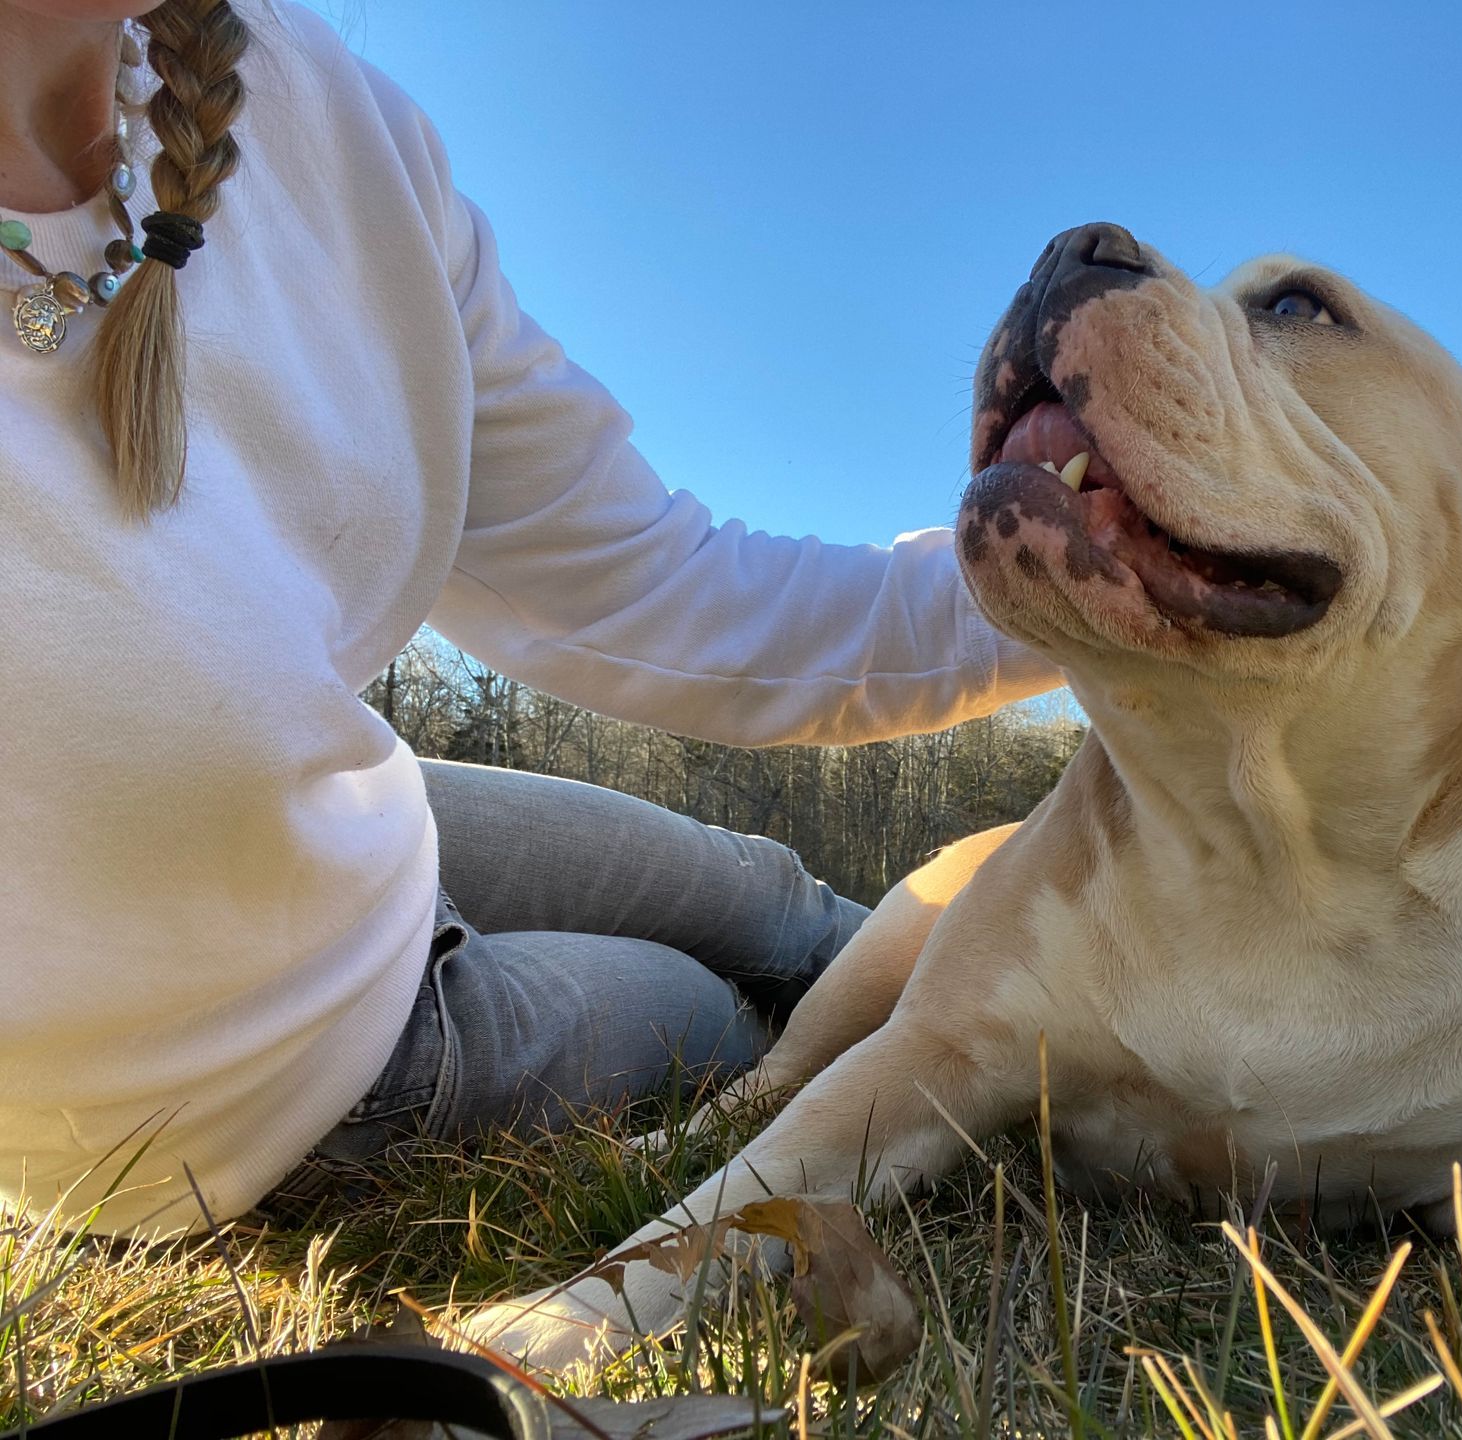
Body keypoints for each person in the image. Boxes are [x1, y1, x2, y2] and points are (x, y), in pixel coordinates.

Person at [0, 0, 1058, 1238]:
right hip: (240, 1079)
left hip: (361, 824)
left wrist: (1097, 578)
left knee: (777, 897)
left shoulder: (331, 115)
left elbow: (657, 584)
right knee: (728, 1023)